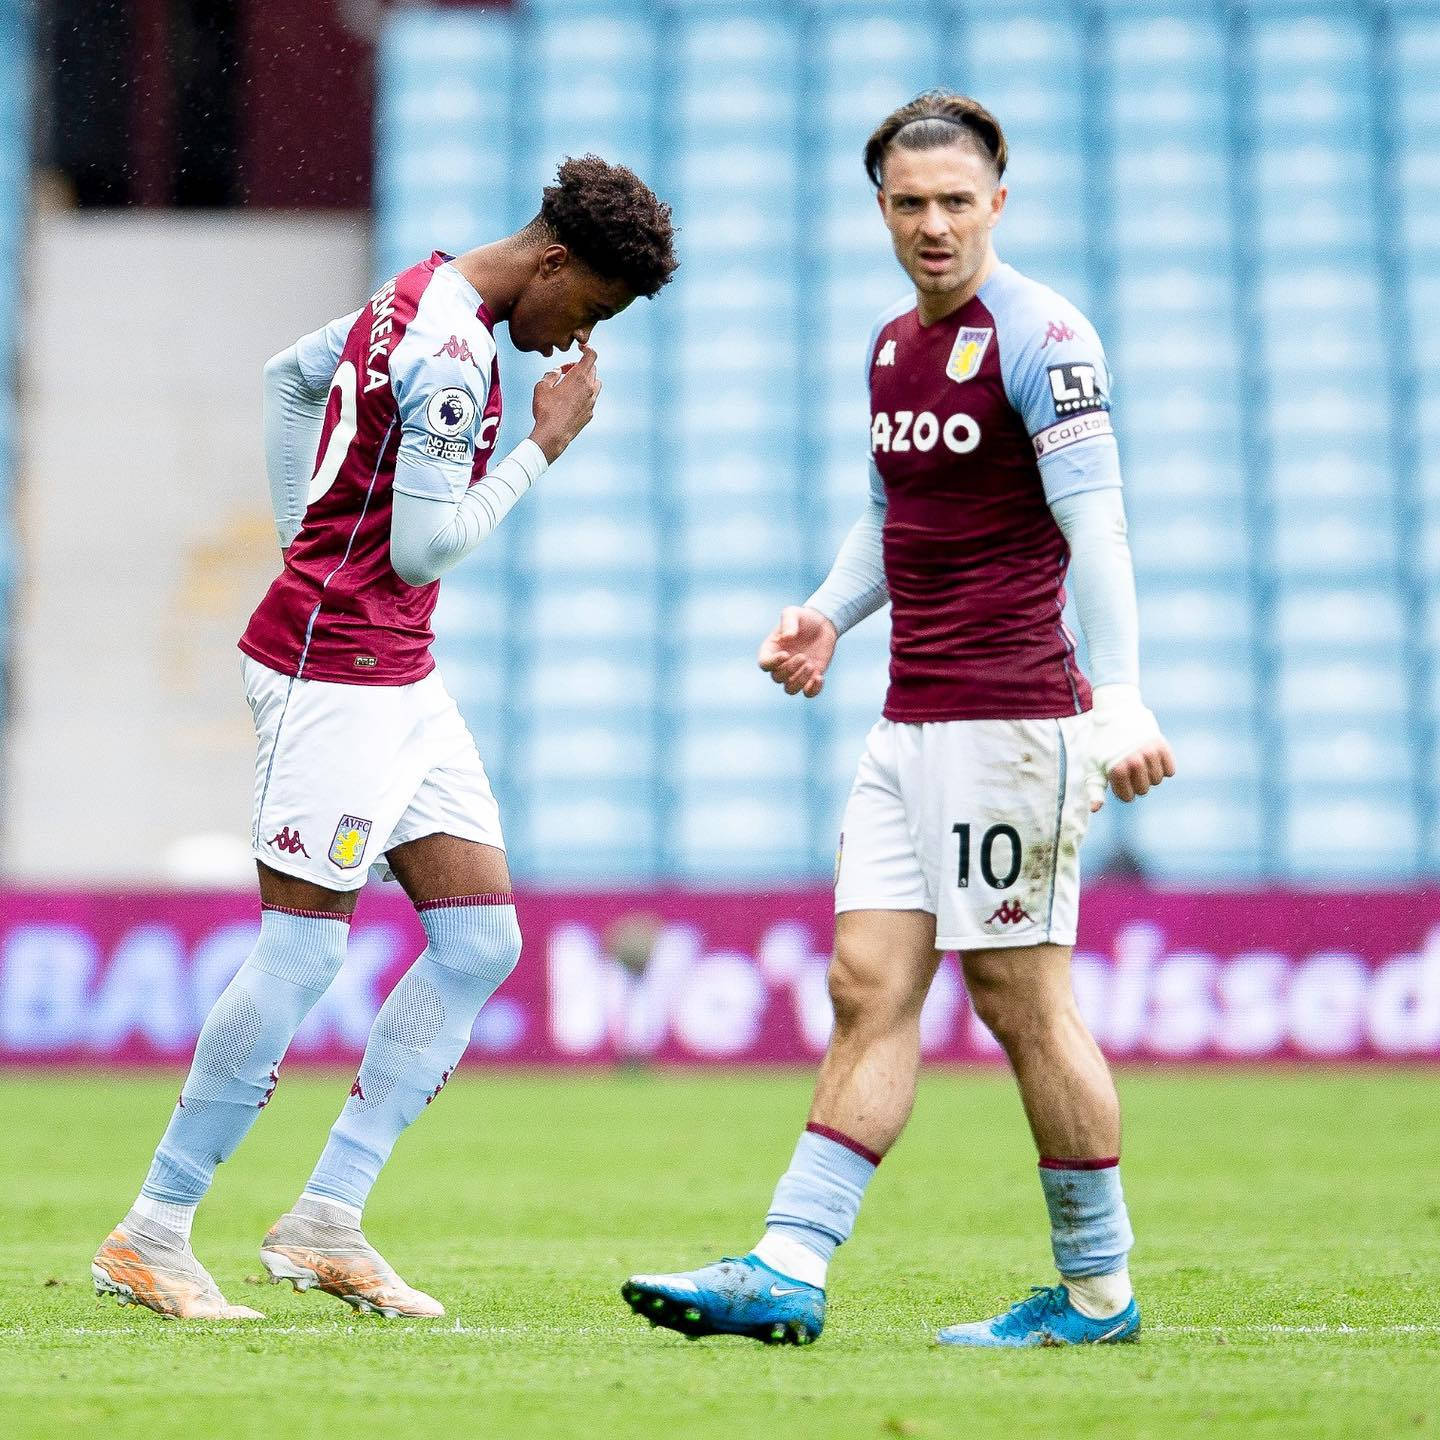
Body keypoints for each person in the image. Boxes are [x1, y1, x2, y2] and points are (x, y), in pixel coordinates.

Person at [622, 93, 1173, 1348]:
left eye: (957, 202)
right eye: (910, 203)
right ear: (880, 208)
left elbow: (1099, 524)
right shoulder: (891, 348)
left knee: (1021, 1001)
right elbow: (893, 513)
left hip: (1012, 721)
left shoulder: (1043, 336)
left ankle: (1098, 1293)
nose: (934, 225)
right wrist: (826, 613)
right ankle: (787, 1266)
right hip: (906, 720)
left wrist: (1124, 693)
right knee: (866, 986)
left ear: (998, 201)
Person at [93, 155, 677, 1321]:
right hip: (338, 670)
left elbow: (287, 378)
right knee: (303, 953)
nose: (573, 341)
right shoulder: (457, 354)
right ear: (555, 262)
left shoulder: (411, 294)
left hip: (394, 670)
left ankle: (326, 1220)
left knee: (479, 943)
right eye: (590, 309)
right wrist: (545, 446)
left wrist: (304, 540)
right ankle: (152, 1231)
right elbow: (421, 548)